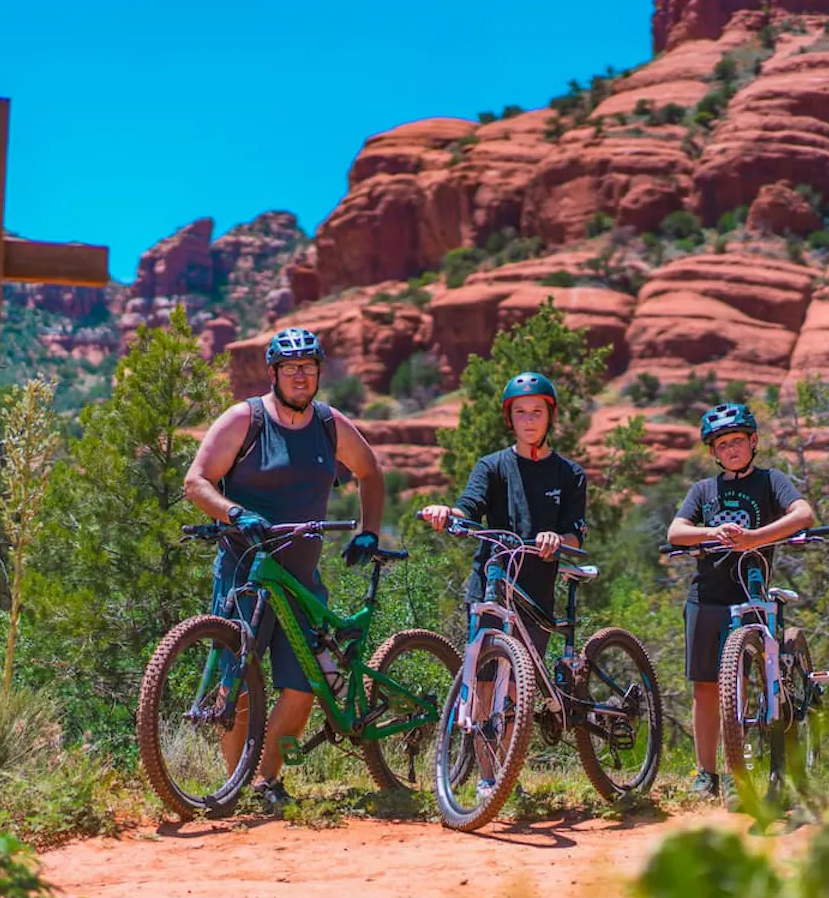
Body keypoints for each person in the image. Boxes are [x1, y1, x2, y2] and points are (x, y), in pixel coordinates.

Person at [183, 326, 385, 807]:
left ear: (319, 374)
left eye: (309, 368)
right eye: (291, 368)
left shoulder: (329, 424)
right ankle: (235, 786)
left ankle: (266, 782)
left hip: (301, 580)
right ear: (273, 372)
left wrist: (368, 530)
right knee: (238, 682)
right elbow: (197, 481)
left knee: (303, 686)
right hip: (243, 572)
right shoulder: (244, 420)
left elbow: (369, 470)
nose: (300, 376)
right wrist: (233, 512)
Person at [420, 371, 587, 797]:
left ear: (550, 416)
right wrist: (448, 514)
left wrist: (557, 539)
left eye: (536, 411)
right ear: (508, 419)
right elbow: (468, 507)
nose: (528, 420)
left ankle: (503, 774)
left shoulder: (569, 474)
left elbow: (574, 535)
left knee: (516, 689)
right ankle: (489, 780)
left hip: (536, 590)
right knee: (486, 681)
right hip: (491, 584)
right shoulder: (492, 466)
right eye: (520, 412)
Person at [665, 401, 815, 798]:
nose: (731, 449)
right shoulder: (704, 490)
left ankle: (738, 771)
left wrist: (755, 539)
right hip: (707, 594)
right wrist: (711, 535)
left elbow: (803, 514)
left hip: (749, 592)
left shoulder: (770, 481)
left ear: (753, 441)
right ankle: (706, 774)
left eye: (737, 441)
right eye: (721, 444)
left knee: (741, 683)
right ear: (712, 453)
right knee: (705, 686)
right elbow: (676, 532)